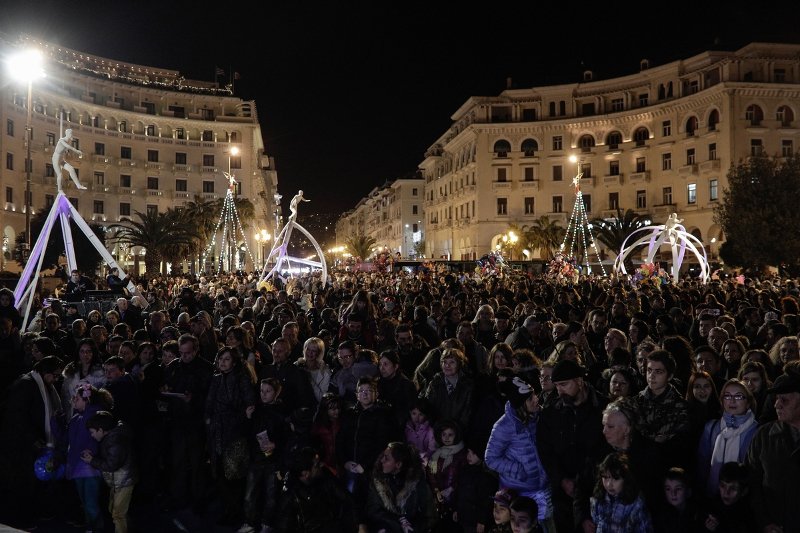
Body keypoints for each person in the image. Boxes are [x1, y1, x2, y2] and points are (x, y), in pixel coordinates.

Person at [485, 376, 555, 532]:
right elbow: (490, 458)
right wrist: (518, 470)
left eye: (535, 395)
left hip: (542, 488)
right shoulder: (503, 426)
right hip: (520, 493)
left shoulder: (538, 418)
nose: (536, 399)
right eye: (530, 398)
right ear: (521, 404)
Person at [204, 346, 257, 527]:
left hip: (234, 435)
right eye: (221, 359)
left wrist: (238, 420)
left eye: (226, 359)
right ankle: (229, 509)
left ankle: (235, 512)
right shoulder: (216, 379)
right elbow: (209, 404)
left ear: (234, 362)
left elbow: (248, 405)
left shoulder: (242, 379)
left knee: (233, 477)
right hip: (217, 433)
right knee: (219, 474)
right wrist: (209, 420)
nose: (223, 362)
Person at [744, 368, 800, 532]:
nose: (776, 404)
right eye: (776, 399)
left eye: (784, 400)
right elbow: (752, 480)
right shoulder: (764, 435)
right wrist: (764, 521)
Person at [696, 379, 758, 498]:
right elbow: (702, 466)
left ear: (748, 402)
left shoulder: (756, 431)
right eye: (727, 396)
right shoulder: (712, 427)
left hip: (743, 499)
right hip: (712, 496)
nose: (732, 401)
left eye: (739, 397)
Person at [81, 410, 137, 533]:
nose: (92, 435)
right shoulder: (112, 437)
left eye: (92, 432)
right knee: (115, 510)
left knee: (118, 514)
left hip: (124, 481)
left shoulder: (115, 441)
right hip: (119, 481)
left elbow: (111, 464)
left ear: (101, 430)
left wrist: (92, 460)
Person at [364, 441, 438, 533]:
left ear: (398, 464)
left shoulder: (418, 484)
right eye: (383, 456)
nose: (381, 460)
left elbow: (430, 516)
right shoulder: (378, 481)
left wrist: (412, 528)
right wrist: (398, 522)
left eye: (386, 458)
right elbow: (373, 510)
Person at [589, 452, 653, 533]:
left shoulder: (636, 504)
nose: (609, 484)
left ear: (625, 479)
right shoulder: (598, 498)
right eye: (605, 477)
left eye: (615, 479)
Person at [696, 461, 755, 533]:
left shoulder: (748, 517)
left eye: (733, 488)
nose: (726, 492)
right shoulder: (709, 508)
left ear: (744, 492)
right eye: (723, 486)